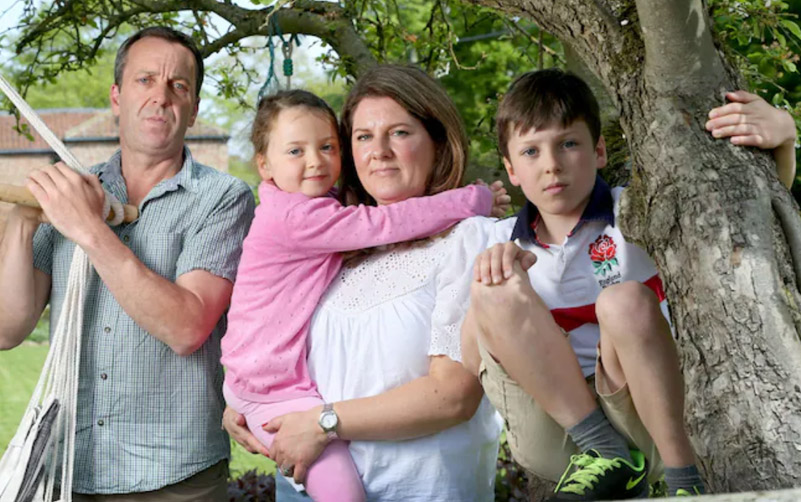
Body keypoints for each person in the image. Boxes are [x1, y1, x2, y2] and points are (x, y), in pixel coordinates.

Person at [460, 68, 798, 501]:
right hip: (557, 429)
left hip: (646, 413)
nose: (551, 164)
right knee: (492, 285)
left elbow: (743, 224)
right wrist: (494, 290)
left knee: (622, 300)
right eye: (530, 151)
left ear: (599, 150)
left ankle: (685, 483)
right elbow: (474, 363)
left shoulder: (636, 212)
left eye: (568, 143)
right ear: (510, 170)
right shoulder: (494, 239)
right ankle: (602, 449)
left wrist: (784, 137)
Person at [224, 64, 508, 502]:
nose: (378, 151)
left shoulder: (469, 239)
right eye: (362, 136)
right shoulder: (338, 241)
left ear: (437, 140)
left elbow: (453, 397)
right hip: (304, 483)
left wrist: (321, 422)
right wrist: (248, 401)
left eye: (399, 133)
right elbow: (279, 331)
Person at [0, 27, 254, 500]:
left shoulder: (224, 199)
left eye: (178, 86)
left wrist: (90, 230)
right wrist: (21, 222)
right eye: (145, 80)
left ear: (193, 109)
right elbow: (7, 330)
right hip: (69, 467)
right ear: (117, 97)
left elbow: (187, 326)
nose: (161, 96)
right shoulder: (74, 191)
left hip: (175, 478)